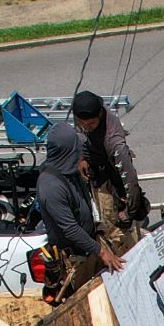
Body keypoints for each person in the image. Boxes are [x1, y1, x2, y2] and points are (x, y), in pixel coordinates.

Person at [35, 122, 123, 300]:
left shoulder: (67, 169)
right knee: (86, 302)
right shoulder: (50, 186)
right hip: (74, 261)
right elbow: (70, 228)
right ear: (66, 152)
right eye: (75, 150)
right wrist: (101, 251)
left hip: (89, 247)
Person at [69, 90, 147, 245]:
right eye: (82, 123)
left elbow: (130, 179)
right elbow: (81, 135)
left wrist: (129, 211)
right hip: (97, 175)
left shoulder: (114, 141)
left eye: (91, 124)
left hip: (112, 183)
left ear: (100, 115)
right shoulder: (84, 116)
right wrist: (83, 158)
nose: (86, 127)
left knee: (116, 234)